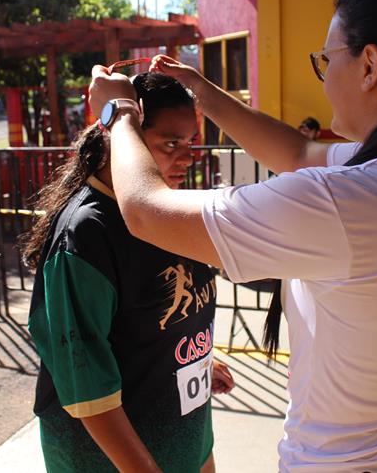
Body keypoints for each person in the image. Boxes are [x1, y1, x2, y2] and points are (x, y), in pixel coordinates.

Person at [89, 0, 377, 472]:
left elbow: (147, 212)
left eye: (325, 59)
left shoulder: (351, 206)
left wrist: (119, 117)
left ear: (370, 64)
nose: (325, 75)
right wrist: (201, 91)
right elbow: (300, 150)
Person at [23, 72, 234, 473]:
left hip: (185, 439)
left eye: (190, 142)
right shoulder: (86, 232)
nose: (188, 157)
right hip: (112, 460)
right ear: (120, 137)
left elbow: (153, 316)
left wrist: (197, 355)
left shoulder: (167, 210)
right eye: (172, 143)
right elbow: (83, 379)